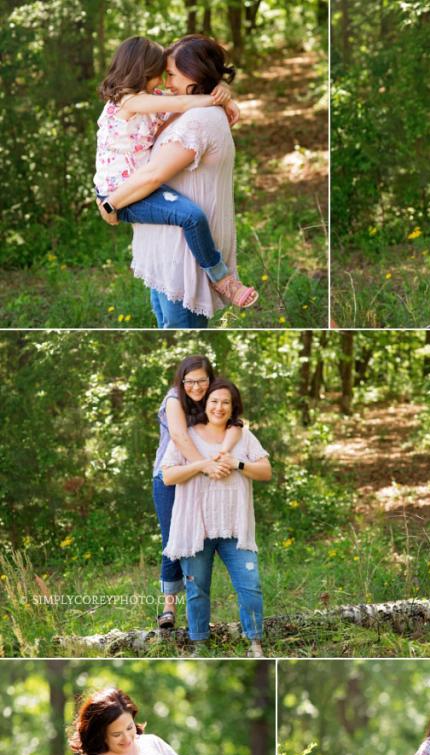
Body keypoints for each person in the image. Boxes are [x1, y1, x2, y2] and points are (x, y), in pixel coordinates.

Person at [98, 35, 253, 327]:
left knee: (192, 218)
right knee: (167, 327)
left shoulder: (197, 117)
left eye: (171, 75)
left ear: (195, 73)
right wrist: (110, 202)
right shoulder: (135, 101)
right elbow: (180, 101)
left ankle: (223, 279)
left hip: (181, 263)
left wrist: (222, 94)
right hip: (155, 245)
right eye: (162, 74)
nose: (166, 83)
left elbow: (156, 172)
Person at [162, 377, 272, 657]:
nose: (219, 407)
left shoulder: (242, 436)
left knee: (251, 584)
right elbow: (168, 475)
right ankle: (200, 645)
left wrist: (238, 463)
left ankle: (255, 643)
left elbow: (265, 472)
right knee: (197, 589)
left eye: (226, 402)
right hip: (196, 529)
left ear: (233, 407)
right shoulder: (189, 435)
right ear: (205, 404)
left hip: (235, 528)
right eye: (214, 401)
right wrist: (202, 465)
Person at [153, 355, 242, 637]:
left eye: (202, 380)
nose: (196, 386)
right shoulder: (173, 399)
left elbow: (237, 423)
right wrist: (205, 467)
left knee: (199, 541)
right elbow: (179, 436)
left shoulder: (215, 398)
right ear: (181, 381)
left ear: (210, 378)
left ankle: (199, 614)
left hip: (205, 476)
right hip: (172, 477)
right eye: (189, 381)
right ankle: (169, 607)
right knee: (173, 540)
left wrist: (222, 454)